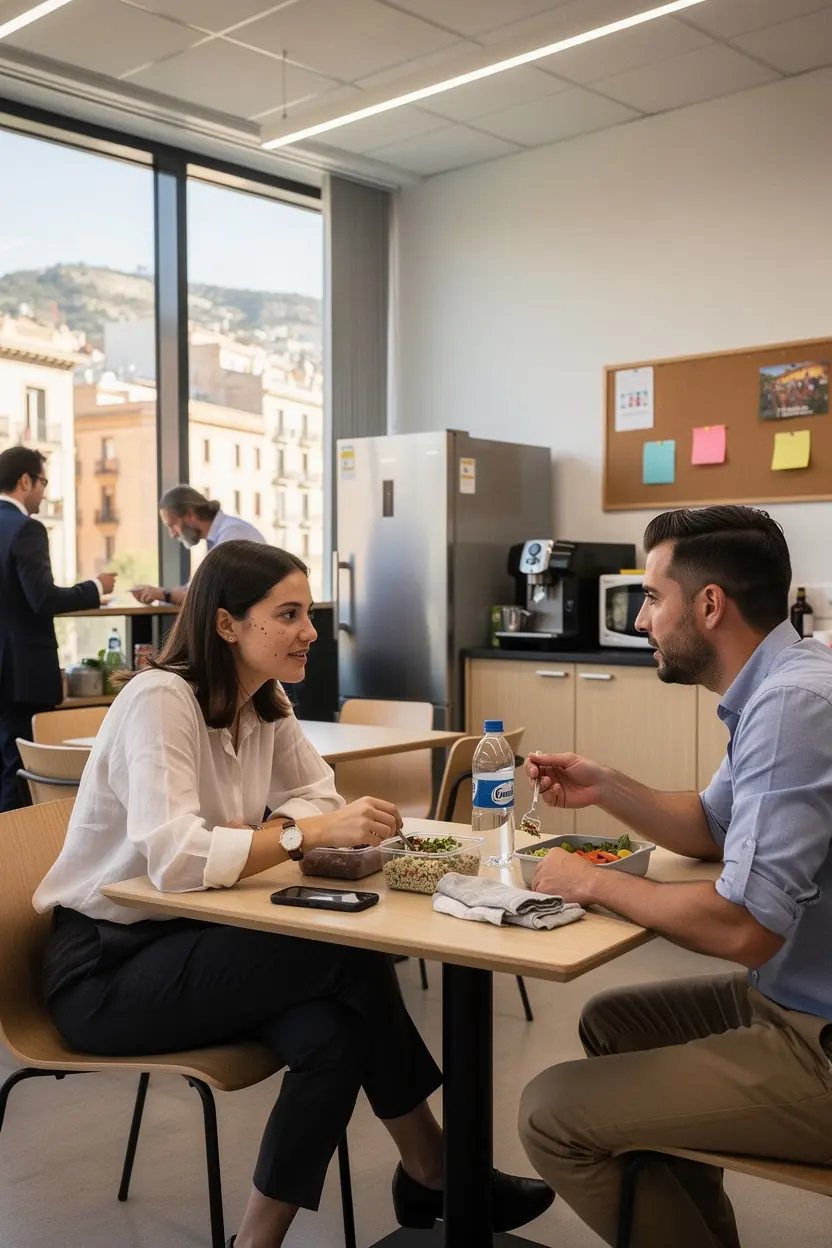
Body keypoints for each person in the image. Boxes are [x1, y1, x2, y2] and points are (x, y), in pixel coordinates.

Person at [35, 539, 552, 1248]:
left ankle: (261, 1240)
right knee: (347, 958)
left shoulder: (263, 704)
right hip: (105, 971)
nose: (311, 630)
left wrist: (283, 826)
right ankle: (433, 1166)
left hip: (193, 941)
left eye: (307, 611)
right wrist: (293, 838)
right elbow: (176, 859)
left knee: (334, 1035)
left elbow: (319, 795)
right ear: (227, 626)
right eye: (289, 613)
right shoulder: (159, 700)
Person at [519, 505, 832, 1248]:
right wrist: (607, 787)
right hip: (793, 996)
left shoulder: (792, 706)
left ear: (710, 604)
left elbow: (744, 928)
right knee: (612, 1023)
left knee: (549, 1111)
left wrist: (586, 881)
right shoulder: (787, 677)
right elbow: (712, 826)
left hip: (815, 1038)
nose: (641, 622)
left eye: (652, 598)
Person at [0, 445, 116, 812]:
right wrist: (95, 588)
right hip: (22, 675)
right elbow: (43, 599)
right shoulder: (27, 529)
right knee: (21, 773)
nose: (45, 492)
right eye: (43, 482)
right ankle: (18, 861)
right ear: (24, 480)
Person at [131, 484, 265, 605]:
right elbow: (197, 590)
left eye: (172, 525)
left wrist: (162, 594)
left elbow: (208, 596)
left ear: (190, 515)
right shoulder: (219, 537)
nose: (172, 534)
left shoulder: (232, 534)